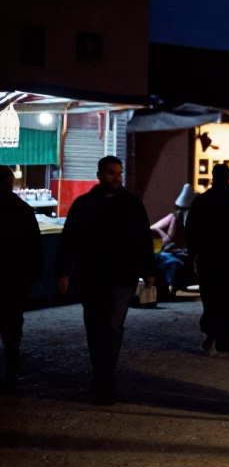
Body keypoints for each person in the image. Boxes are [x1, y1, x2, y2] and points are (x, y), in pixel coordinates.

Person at [55, 156, 155, 405]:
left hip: (122, 277)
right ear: (99, 174)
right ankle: (100, 376)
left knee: (111, 327)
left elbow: (143, 237)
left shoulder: (131, 204)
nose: (117, 177)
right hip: (91, 276)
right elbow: (70, 240)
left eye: (119, 173)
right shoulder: (84, 205)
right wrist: (64, 271)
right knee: (94, 326)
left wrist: (149, 269)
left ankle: (104, 381)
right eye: (111, 173)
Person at [185, 163, 229, 354]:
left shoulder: (202, 201)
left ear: (213, 177)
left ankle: (211, 332)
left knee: (211, 297)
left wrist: (193, 254)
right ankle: (224, 339)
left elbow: (191, 229)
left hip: (209, 258)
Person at [1, 166, 42, 391]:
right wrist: (35, 274)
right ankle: (11, 368)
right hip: (15, 278)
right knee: (12, 326)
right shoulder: (22, 209)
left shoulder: (21, 209)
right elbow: (34, 245)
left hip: (12, 276)